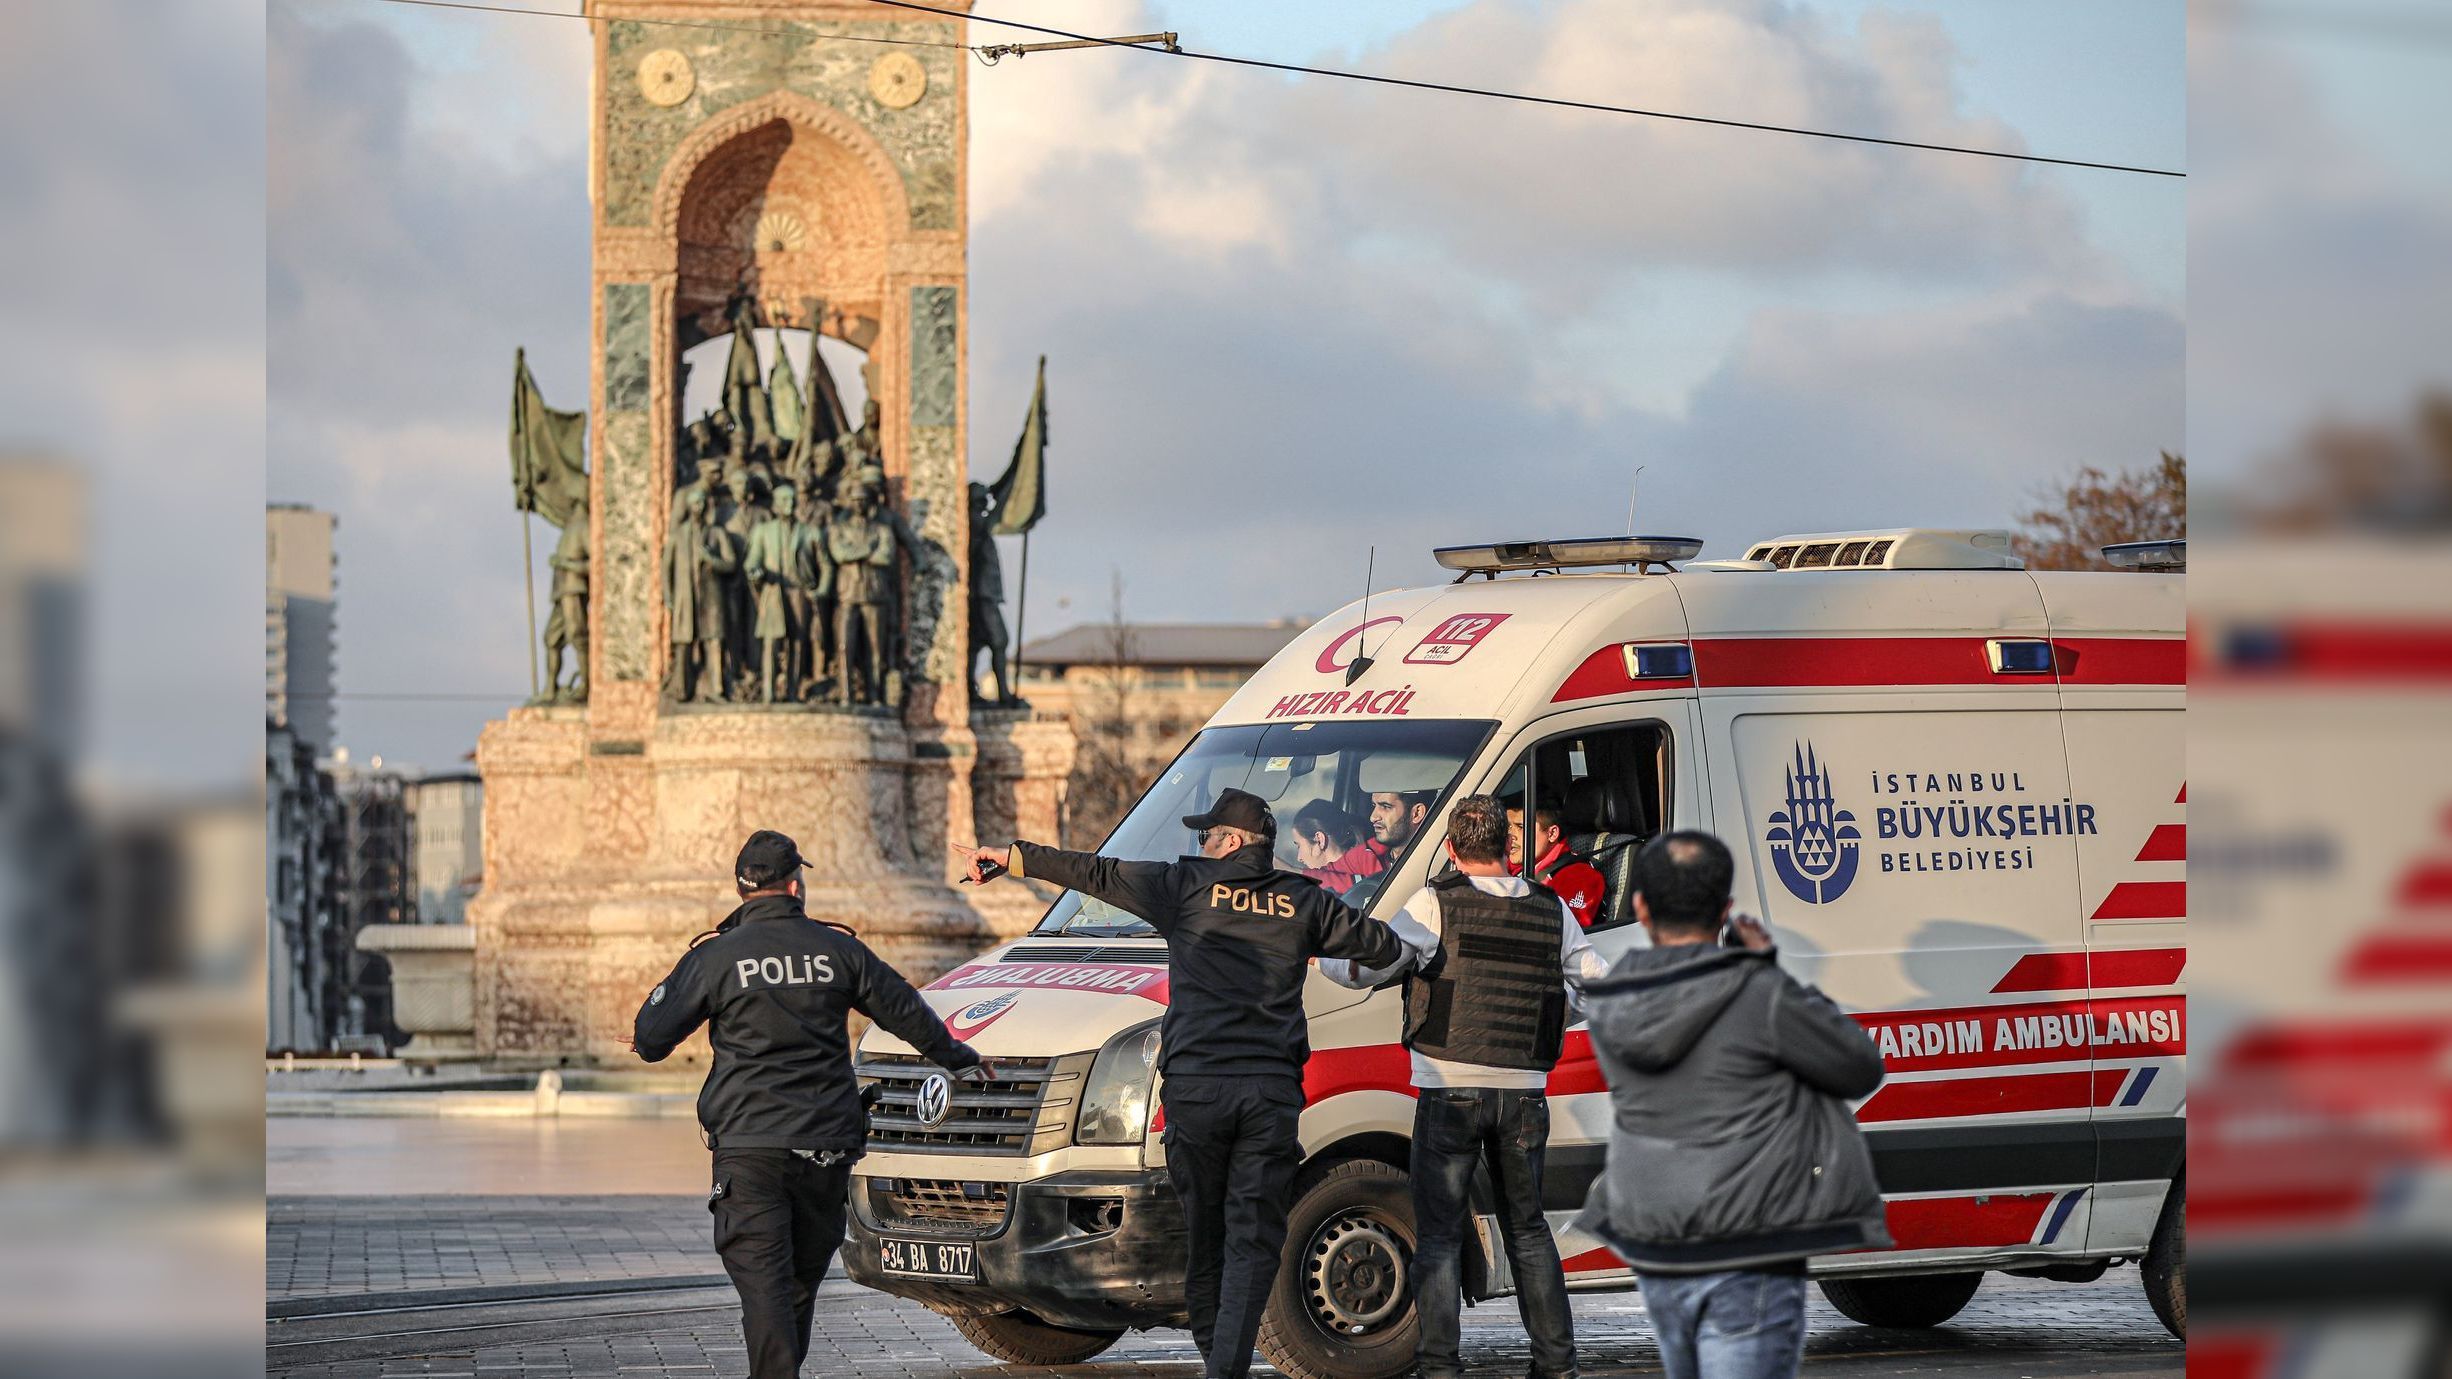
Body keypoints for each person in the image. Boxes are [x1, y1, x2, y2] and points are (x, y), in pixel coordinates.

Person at [958, 788, 1406, 1379]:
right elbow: (1385, 947)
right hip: (1267, 1093)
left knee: (1204, 1237)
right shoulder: (1304, 900)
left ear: (1232, 841)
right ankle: (1224, 1367)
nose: (1200, 844)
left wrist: (1012, 857)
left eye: (1207, 835)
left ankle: (1218, 1364)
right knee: (1251, 1239)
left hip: (1197, 1092)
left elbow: (1094, 872)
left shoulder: (1185, 886)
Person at [634, 830, 992, 1379]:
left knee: (766, 1285)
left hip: (750, 1148)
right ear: (795, 884)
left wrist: (650, 1033)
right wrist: (960, 1058)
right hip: (826, 1147)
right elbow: (905, 1010)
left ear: (740, 887)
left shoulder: (716, 956)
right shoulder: (839, 949)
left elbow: (654, 1038)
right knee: (795, 1283)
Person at [1572, 832, 1889, 1379]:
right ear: (1724, 910)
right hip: (1747, 1240)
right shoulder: (1756, 992)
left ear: (1641, 906)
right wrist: (1764, 967)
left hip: (1656, 1238)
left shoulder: (1615, 995)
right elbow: (1859, 1065)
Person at [1319, 794, 1610, 1379]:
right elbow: (1600, 984)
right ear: (1508, 845)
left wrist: (1327, 957)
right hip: (1524, 1095)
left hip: (1448, 1090)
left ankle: (1440, 1366)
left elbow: (1369, 967)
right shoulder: (1551, 908)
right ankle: (1557, 1365)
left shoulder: (1434, 904)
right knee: (1528, 1233)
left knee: (1440, 1236)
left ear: (1451, 849)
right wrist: (1551, 1012)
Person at [1507, 797, 1608, 928]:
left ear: (1552, 834)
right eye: (1508, 826)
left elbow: (1561, 932)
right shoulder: (1509, 864)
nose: (1510, 835)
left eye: (1520, 827)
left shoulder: (1579, 876)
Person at [1287, 799, 1383, 896]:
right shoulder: (1366, 862)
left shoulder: (1369, 874)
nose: (1299, 858)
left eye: (1299, 846)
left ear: (1319, 840)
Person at [1365, 788, 1435, 870]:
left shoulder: (1434, 865)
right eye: (1374, 805)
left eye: (1386, 806)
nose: (1373, 817)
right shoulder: (1367, 855)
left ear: (1416, 813)